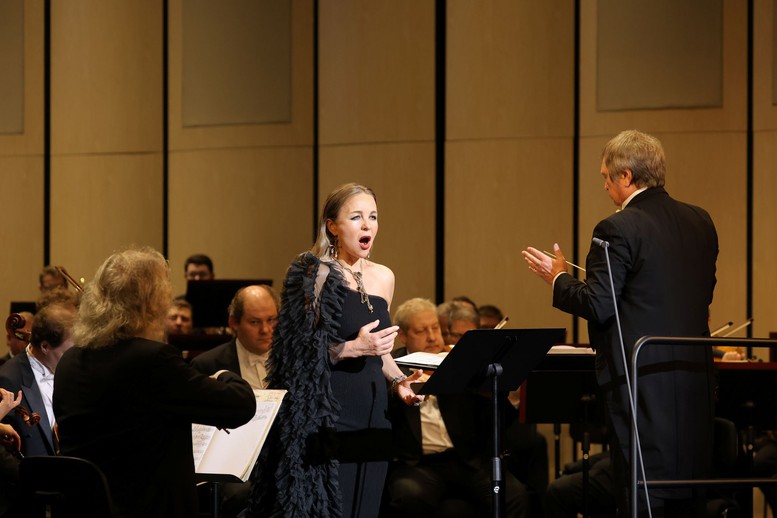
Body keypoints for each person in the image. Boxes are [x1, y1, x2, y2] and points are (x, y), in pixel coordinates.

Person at [522, 130, 718, 515]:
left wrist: (559, 279)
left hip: (639, 381)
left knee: (641, 494)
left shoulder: (616, 227)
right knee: (688, 490)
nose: (605, 186)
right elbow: (699, 297)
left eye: (606, 178)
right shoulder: (701, 221)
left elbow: (599, 305)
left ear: (626, 176)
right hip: (695, 380)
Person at [247, 183, 422, 517]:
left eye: (373, 216)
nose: (368, 225)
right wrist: (350, 348)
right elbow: (295, 353)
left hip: (375, 419)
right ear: (332, 226)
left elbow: (381, 349)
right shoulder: (312, 273)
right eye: (356, 217)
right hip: (330, 417)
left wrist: (401, 381)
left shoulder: (384, 276)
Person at [53, 247, 256, 518]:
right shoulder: (150, 360)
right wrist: (221, 375)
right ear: (152, 304)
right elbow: (240, 405)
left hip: (84, 509)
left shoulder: (69, 362)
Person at [386, 297, 529, 518]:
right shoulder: (391, 370)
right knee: (409, 496)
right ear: (403, 336)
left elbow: (487, 422)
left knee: (514, 495)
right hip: (417, 465)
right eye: (421, 331)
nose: (433, 337)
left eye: (435, 328)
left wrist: (501, 394)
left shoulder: (457, 362)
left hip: (463, 460)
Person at [0, 301, 77, 457]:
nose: (73, 359)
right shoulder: (9, 379)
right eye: (67, 353)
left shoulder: (72, 370)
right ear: (45, 347)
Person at [192, 285, 279, 389]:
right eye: (255, 322)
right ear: (234, 322)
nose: (265, 330)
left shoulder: (296, 361)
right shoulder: (206, 366)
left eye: (271, 320)